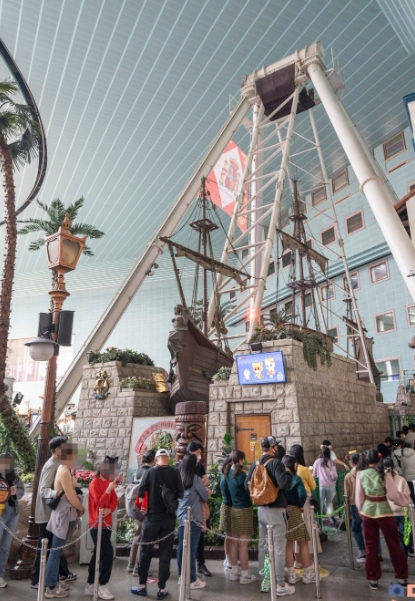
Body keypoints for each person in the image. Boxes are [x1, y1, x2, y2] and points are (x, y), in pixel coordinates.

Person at [132, 448, 184, 600]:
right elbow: (181, 494)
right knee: (165, 554)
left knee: (145, 552)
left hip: (152, 518)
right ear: (169, 458)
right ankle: (162, 588)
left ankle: (142, 586)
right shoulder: (175, 473)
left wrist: (144, 505)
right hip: (168, 519)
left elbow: (140, 492)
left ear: (156, 459)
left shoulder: (150, 472)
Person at [246, 436, 293, 596]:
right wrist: (288, 473)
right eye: (276, 446)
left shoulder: (255, 464)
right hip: (275, 510)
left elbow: (247, 485)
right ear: (273, 448)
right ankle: (280, 583)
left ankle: (266, 581)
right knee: (278, 547)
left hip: (261, 510)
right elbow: (283, 483)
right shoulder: (276, 463)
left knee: (264, 547)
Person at [355, 449, 408, 591]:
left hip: (368, 512)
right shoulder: (385, 474)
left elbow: (359, 496)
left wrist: (360, 511)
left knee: (370, 547)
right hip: (384, 511)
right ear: (379, 459)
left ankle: (373, 580)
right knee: (394, 544)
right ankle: (401, 577)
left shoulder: (360, 474)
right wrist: (405, 501)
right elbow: (392, 496)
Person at [31, 436, 74, 590]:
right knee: (45, 547)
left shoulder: (58, 464)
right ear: (57, 450)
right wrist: (58, 493)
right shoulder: (51, 465)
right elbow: (43, 490)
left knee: (53, 548)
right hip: (46, 514)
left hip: (52, 514)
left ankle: (53, 578)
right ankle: (37, 580)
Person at [44, 442, 85, 598]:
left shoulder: (66, 469)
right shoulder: (64, 471)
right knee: (56, 551)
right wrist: (81, 508)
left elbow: (72, 489)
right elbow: (70, 496)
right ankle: (51, 587)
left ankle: (53, 581)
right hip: (63, 515)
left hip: (66, 514)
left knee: (58, 550)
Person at [85, 456, 121, 600]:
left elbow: (114, 501)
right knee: (107, 553)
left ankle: (91, 584)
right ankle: (101, 584)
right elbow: (100, 503)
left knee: (98, 554)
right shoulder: (94, 483)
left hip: (107, 523)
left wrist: (110, 509)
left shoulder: (108, 482)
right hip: (96, 523)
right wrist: (108, 490)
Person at [221, 450, 256, 585]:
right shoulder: (242, 476)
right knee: (243, 545)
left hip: (234, 510)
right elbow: (249, 492)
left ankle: (234, 572)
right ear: (240, 460)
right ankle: (245, 575)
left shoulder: (227, 474)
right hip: (244, 510)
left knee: (234, 542)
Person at [177, 453, 209, 590]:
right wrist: (207, 490)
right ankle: (191, 580)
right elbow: (204, 496)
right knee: (191, 549)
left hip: (181, 516)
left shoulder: (179, 478)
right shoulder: (195, 479)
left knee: (181, 548)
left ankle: (181, 576)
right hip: (194, 517)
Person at [281, 455, 315, 585]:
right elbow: (302, 495)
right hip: (295, 511)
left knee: (288, 544)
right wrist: (300, 505)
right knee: (303, 542)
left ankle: (291, 575)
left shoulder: (280, 479)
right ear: (294, 465)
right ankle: (308, 574)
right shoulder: (296, 478)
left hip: (282, 512)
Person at [289, 444, 321, 561]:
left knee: (294, 531)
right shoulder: (304, 469)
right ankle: (308, 562)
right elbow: (313, 486)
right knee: (307, 530)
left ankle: (297, 561)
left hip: (292, 503)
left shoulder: (287, 469)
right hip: (305, 502)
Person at [127, 450, 156, 576]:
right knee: (144, 536)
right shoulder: (149, 472)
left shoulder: (139, 470)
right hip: (145, 507)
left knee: (138, 534)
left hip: (136, 507)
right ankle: (138, 568)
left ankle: (131, 563)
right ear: (153, 459)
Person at [185, 441, 211, 578]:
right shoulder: (182, 466)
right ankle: (187, 569)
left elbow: (207, 481)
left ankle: (201, 564)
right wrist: (200, 485)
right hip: (187, 508)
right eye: (198, 453)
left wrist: (199, 484)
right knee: (187, 538)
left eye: (201, 453)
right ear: (191, 452)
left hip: (200, 506)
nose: (200, 455)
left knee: (200, 536)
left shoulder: (199, 466)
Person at [0, 454, 24, 588]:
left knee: (5, 546)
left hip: (13, 513)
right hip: (1, 513)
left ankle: (0, 575)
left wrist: (15, 492)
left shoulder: (14, 477)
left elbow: (22, 490)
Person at [383, 457, 411, 557]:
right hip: (403, 511)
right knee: (403, 537)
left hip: (389, 513)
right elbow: (407, 494)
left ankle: (397, 559)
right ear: (394, 466)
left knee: (393, 538)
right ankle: (404, 558)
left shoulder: (382, 481)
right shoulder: (402, 480)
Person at [344, 452, 366, 562]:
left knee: (356, 528)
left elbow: (346, 494)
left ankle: (362, 552)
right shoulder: (366, 473)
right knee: (369, 528)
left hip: (354, 504)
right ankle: (377, 552)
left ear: (351, 462)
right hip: (367, 502)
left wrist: (346, 506)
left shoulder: (348, 476)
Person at [313, 447, 338, 523]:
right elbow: (334, 476)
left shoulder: (317, 462)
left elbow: (314, 474)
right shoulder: (331, 462)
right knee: (329, 502)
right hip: (330, 485)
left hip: (320, 486)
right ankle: (331, 516)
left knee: (320, 503)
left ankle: (320, 521)